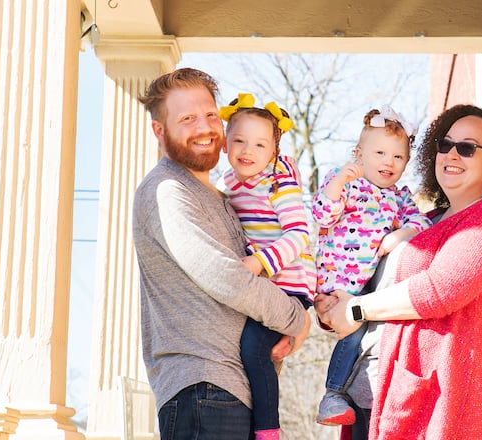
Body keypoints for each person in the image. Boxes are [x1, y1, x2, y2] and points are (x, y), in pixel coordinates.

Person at [316, 104, 482, 439]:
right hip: (376, 393)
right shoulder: (424, 222)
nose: (452, 155)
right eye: (445, 145)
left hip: (444, 407)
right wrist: (334, 304)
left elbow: (437, 291)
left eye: (468, 148)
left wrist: (355, 309)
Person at [132, 67, 309, 440]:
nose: (205, 127)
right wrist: (298, 320)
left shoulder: (226, 197)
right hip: (202, 388)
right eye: (187, 118)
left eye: (211, 114)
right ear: (159, 131)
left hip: (231, 391)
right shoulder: (167, 191)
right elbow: (229, 278)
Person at [312, 107, 431, 427]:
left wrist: (401, 235)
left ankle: (349, 393)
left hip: (366, 283)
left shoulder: (400, 196)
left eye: (398, 157)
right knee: (353, 328)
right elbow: (323, 214)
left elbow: (420, 221)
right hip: (337, 277)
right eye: (379, 152)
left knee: (366, 330)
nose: (388, 162)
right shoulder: (346, 182)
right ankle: (333, 394)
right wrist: (339, 181)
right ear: (358, 154)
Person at [218, 93, 317, 440]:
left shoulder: (279, 182)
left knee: (254, 347)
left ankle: (268, 430)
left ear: (273, 152)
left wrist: (259, 262)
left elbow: (299, 234)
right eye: (239, 140)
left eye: (260, 144)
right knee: (252, 352)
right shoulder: (227, 185)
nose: (248, 150)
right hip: (262, 287)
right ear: (224, 142)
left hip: (289, 284)